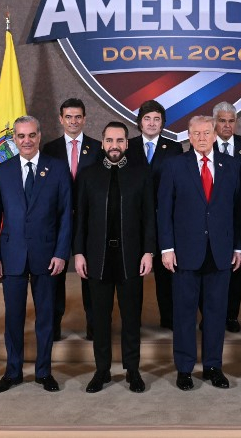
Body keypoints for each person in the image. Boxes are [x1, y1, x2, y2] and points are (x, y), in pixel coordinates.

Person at [157, 115, 241, 391]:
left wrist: (238, 246)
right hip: (185, 252)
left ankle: (213, 366)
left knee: (216, 313)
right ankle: (184, 369)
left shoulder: (232, 165)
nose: (202, 138)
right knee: (184, 314)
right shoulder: (174, 165)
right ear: (189, 136)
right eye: (196, 133)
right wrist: (167, 248)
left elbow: (238, 210)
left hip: (220, 252)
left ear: (215, 135)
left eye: (207, 133)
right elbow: (164, 210)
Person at [0, 115, 72, 393]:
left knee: (45, 317)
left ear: (39, 136)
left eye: (32, 135)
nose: (27, 141)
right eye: (21, 136)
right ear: (14, 139)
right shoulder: (2, 171)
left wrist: (61, 253)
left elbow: (65, 215)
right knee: (13, 317)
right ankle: (12, 372)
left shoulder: (57, 168)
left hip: (46, 255)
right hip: (11, 255)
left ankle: (43, 372)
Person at [73, 121, 155, 393]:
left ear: (127, 144)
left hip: (130, 257)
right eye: (109, 140)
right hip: (97, 258)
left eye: (120, 140)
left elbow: (149, 218)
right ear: (103, 143)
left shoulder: (141, 174)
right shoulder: (88, 175)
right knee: (99, 319)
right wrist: (79, 253)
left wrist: (148, 252)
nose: (114, 146)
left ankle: (133, 370)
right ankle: (102, 370)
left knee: (131, 317)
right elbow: (80, 218)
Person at [42, 97, 104, 341]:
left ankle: (94, 329)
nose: (73, 121)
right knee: (54, 275)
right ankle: (54, 329)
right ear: (61, 119)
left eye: (78, 117)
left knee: (90, 275)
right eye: (68, 117)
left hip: (88, 223)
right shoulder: (50, 149)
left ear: (85, 119)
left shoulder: (97, 148)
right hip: (57, 222)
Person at [126, 99, 181, 328]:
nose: (151, 123)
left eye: (156, 119)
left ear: (163, 123)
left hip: (163, 220)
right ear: (140, 122)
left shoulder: (174, 148)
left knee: (166, 274)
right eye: (147, 118)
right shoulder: (128, 146)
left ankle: (169, 320)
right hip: (134, 221)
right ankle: (133, 322)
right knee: (132, 276)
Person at [211, 101, 241, 333]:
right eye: (222, 121)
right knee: (211, 268)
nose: (227, 125)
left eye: (231, 121)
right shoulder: (204, 143)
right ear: (214, 123)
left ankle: (231, 315)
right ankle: (210, 316)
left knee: (235, 266)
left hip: (239, 216)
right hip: (211, 218)